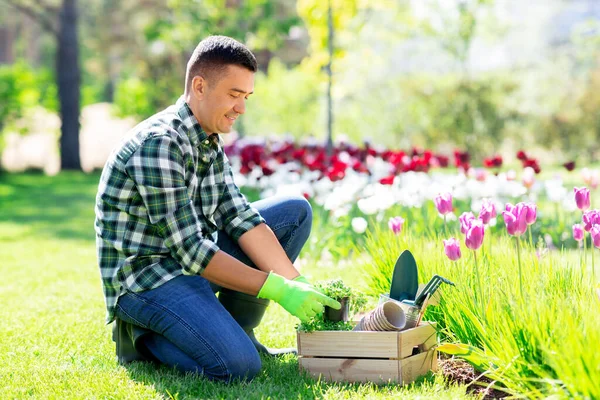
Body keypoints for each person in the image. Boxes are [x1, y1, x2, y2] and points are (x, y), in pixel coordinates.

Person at [94, 35, 340, 383]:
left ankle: (240, 333)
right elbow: (193, 251)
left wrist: (298, 284)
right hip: (147, 281)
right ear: (199, 86)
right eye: (234, 95)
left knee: (293, 213)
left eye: (246, 97)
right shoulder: (158, 145)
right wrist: (277, 289)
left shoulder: (207, 138)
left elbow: (239, 217)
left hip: (188, 265)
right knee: (236, 368)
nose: (242, 108)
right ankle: (143, 339)